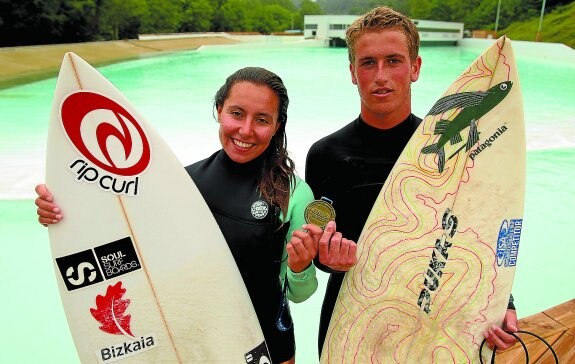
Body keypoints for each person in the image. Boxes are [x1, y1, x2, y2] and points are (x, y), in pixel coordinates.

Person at [35, 67, 324, 364]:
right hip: (191, 343)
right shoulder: (182, 182)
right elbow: (128, 236)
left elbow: (300, 294)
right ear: (218, 110)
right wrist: (63, 213)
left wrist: (300, 267)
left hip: (267, 345)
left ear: (278, 125)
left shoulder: (293, 194)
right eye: (236, 113)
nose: (246, 130)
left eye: (262, 119)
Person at [303, 6, 520, 358]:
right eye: (368, 62)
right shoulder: (325, 154)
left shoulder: (453, 147)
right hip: (353, 323)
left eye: (394, 60)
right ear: (352, 73)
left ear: (415, 68)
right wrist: (328, 259)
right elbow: (319, 251)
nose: (381, 75)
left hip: (435, 321)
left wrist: (502, 302)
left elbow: (480, 232)